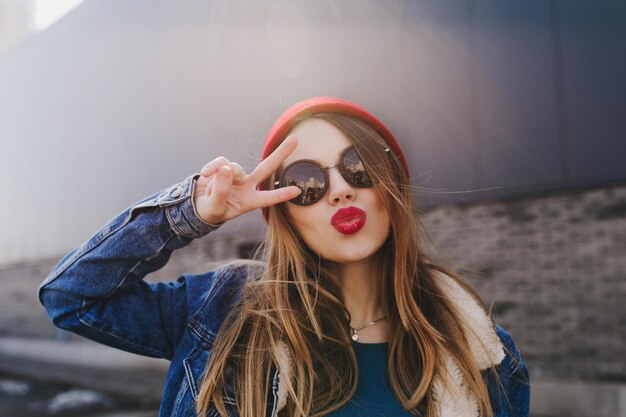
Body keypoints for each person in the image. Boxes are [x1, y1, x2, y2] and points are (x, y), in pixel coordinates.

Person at [39, 97, 530, 417]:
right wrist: (191, 212)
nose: (338, 191)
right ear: (285, 216)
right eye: (308, 182)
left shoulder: (483, 352)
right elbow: (71, 296)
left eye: (359, 167)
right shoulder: (219, 310)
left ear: (392, 186)